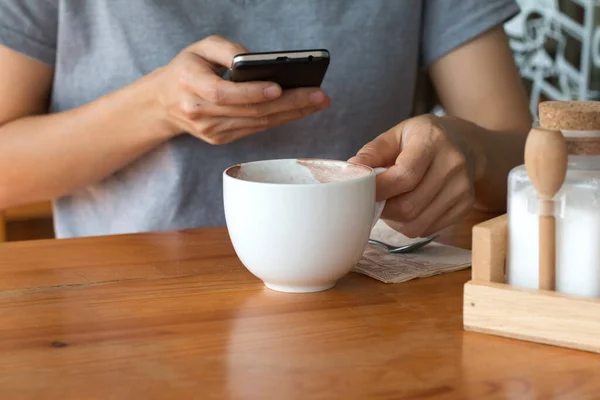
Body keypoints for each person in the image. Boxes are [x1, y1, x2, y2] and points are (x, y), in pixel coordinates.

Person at [0, 0, 531, 239]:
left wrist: (469, 149)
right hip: (124, 312)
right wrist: (155, 108)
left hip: (371, 297)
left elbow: (524, 156)